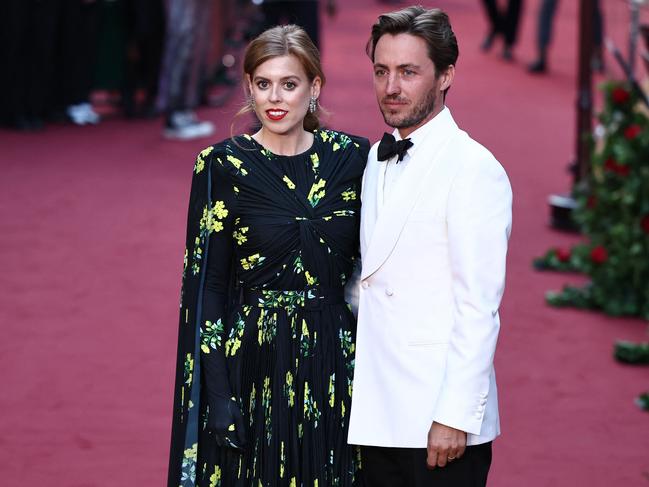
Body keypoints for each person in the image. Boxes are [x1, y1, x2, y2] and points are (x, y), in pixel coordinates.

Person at [167, 24, 369, 486]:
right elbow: (209, 287)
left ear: (314, 88)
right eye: (263, 84)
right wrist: (218, 393)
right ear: (249, 88)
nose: (275, 98)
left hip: (337, 361)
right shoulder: (222, 165)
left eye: (289, 84)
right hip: (252, 362)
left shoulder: (355, 159)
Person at [348, 6, 512, 487]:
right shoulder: (374, 162)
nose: (391, 87)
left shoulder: (473, 168)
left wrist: (456, 416)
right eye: (381, 71)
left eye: (408, 72)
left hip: (437, 423)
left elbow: (478, 305)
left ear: (445, 76)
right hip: (375, 413)